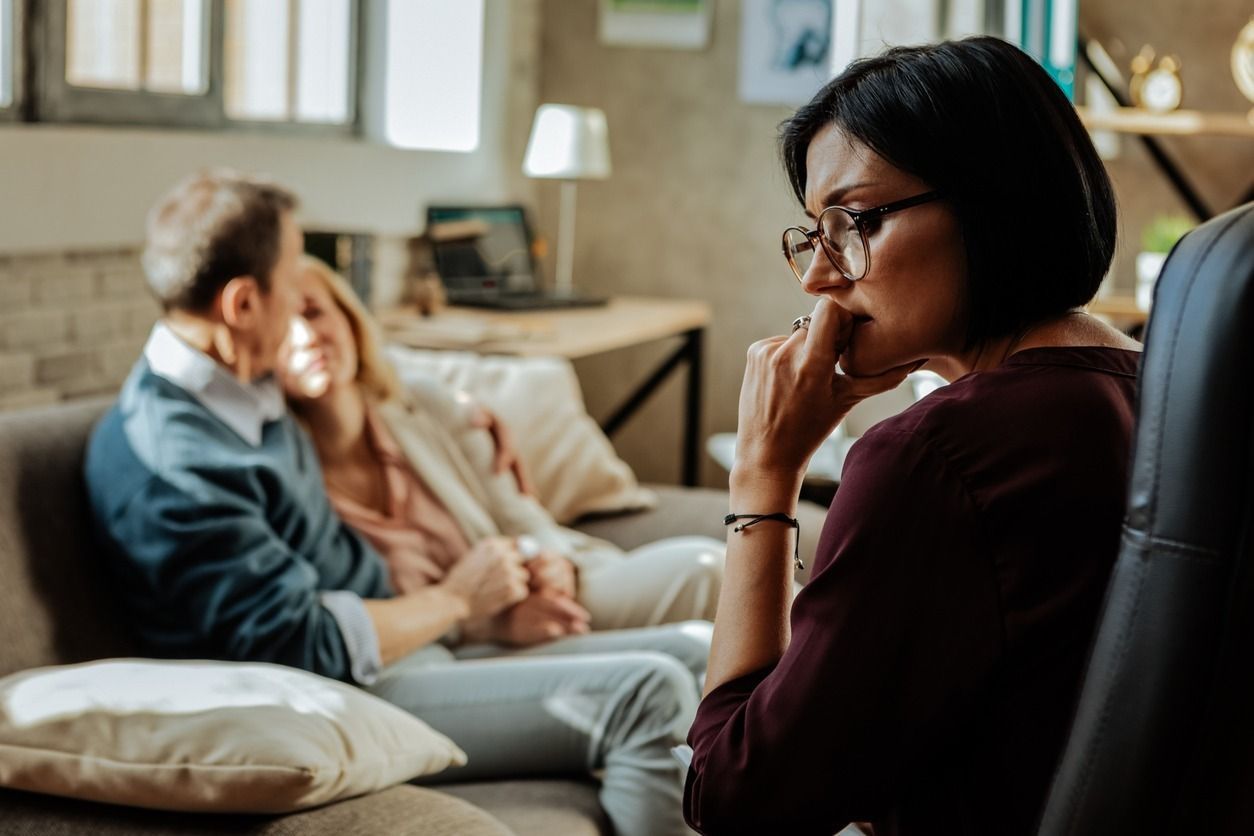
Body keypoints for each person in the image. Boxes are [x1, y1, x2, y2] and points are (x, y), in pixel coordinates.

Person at [84, 170, 706, 836]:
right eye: (293, 279)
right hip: (341, 693)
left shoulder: (237, 379)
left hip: (413, 646)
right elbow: (301, 644)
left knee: (701, 657)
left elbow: (355, 362)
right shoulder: (177, 467)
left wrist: (463, 404)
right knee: (650, 693)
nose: (303, 303)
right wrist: (459, 602)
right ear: (242, 304)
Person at [682, 37, 1142, 836]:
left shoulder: (938, 454)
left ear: (992, 204)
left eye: (854, 222)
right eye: (815, 235)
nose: (820, 276)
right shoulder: (1154, 387)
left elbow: (734, 797)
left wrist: (762, 475)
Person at [279, 254, 725, 648]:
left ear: (350, 320)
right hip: (450, 643)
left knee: (707, 569)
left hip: (533, 588)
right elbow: (346, 627)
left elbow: (522, 519)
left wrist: (554, 565)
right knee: (681, 654)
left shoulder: (426, 403)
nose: (305, 336)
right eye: (283, 325)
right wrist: (484, 624)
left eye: (314, 312)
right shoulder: (279, 476)